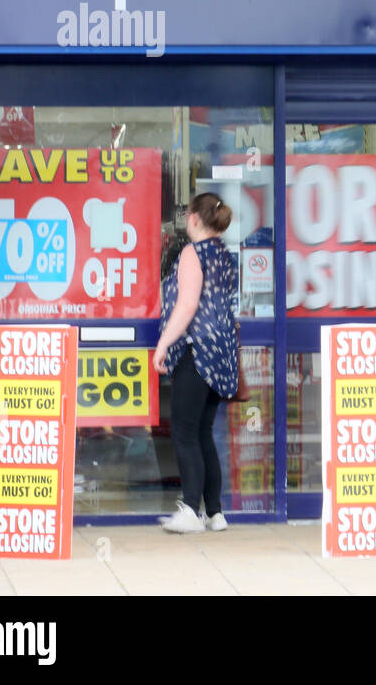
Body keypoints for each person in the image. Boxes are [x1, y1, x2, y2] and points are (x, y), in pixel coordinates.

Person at [153, 193, 240, 534]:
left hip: (198, 352)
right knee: (202, 432)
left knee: (185, 432)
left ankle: (190, 510)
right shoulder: (224, 255)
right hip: (222, 352)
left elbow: (187, 305)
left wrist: (162, 345)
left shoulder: (193, 253)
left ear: (192, 219)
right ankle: (215, 513)